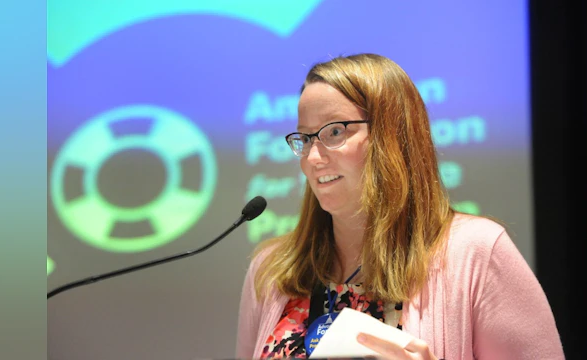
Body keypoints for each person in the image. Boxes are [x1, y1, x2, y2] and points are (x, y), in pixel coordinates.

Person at [236, 53, 564, 359]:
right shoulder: (272, 271)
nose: (313, 158)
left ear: (391, 136)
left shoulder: (476, 252)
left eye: (334, 131)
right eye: (305, 139)